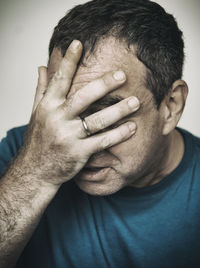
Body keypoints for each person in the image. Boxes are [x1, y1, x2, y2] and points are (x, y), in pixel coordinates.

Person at [0, 0, 199, 267]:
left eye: (107, 114)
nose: (77, 144)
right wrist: (37, 170)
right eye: (67, 109)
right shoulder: (22, 154)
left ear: (171, 106)